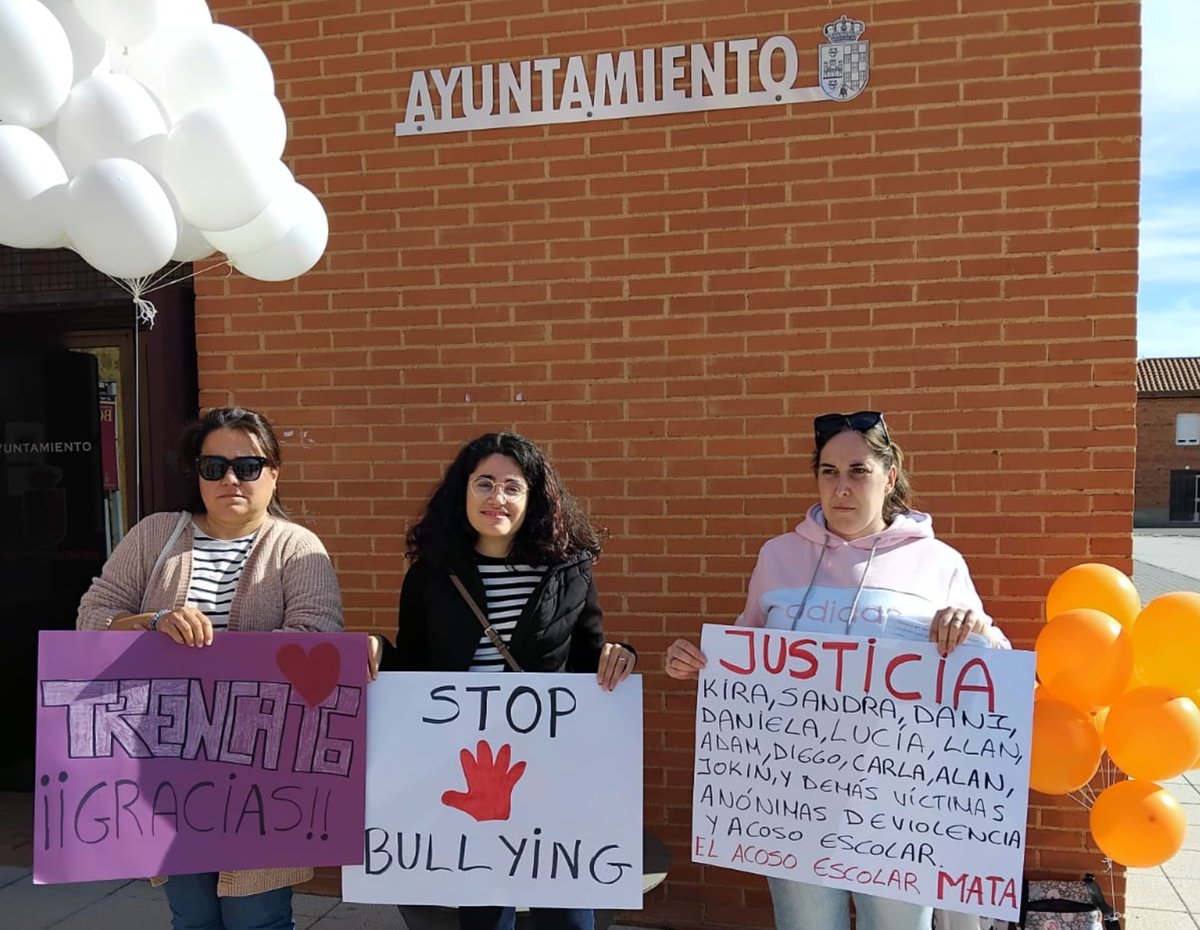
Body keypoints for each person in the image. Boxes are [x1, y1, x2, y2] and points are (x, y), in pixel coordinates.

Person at [663, 410, 1009, 930]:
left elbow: (998, 668)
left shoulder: (938, 562)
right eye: (829, 472)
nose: (841, 487)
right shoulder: (778, 556)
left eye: (858, 471)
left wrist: (975, 627)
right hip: (794, 799)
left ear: (889, 476)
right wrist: (695, 664)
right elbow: (744, 651)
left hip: (899, 803)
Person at [76, 405, 344, 930]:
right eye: (213, 466)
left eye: (247, 466)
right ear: (196, 473)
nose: (230, 479)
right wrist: (152, 622)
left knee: (257, 916)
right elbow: (92, 618)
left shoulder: (297, 547)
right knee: (191, 915)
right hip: (169, 763)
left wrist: (223, 656)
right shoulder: (155, 536)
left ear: (273, 473)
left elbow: (318, 639)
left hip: (261, 770)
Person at [368, 431, 637, 930]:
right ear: (462, 492)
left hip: (550, 767)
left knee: (568, 915)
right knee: (486, 914)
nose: (498, 498)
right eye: (485, 484)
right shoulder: (431, 573)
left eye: (512, 487)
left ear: (533, 498)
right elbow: (417, 674)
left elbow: (588, 660)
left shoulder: (568, 568)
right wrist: (380, 651)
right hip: (464, 767)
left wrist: (620, 657)